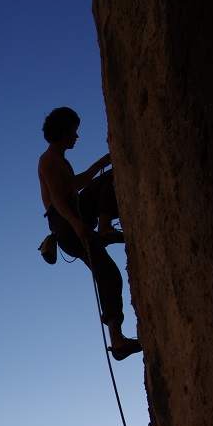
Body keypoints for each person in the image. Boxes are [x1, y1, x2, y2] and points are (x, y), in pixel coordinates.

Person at [38, 107, 142, 361]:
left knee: (108, 180)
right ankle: (117, 342)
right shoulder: (49, 159)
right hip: (65, 221)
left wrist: (99, 165)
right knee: (108, 273)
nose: (76, 136)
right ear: (64, 132)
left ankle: (105, 227)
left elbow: (74, 186)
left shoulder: (61, 160)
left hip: (72, 215)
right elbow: (56, 200)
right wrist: (75, 223)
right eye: (74, 130)